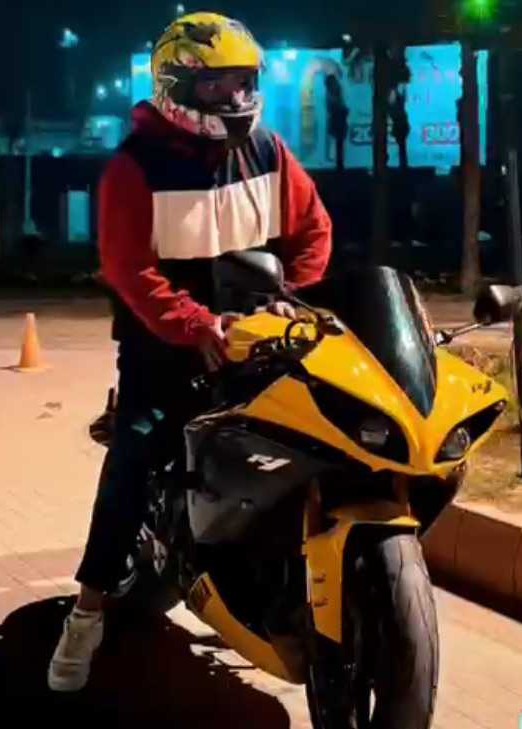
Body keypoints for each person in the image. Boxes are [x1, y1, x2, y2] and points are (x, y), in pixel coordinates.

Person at [48, 11, 332, 692]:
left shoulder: (268, 151)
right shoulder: (134, 166)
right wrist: (195, 323)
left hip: (261, 339)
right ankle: (87, 612)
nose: (235, 97)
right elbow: (128, 267)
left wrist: (291, 295)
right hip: (165, 347)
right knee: (135, 454)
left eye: (242, 82)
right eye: (216, 85)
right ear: (176, 86)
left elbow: (312, 228)